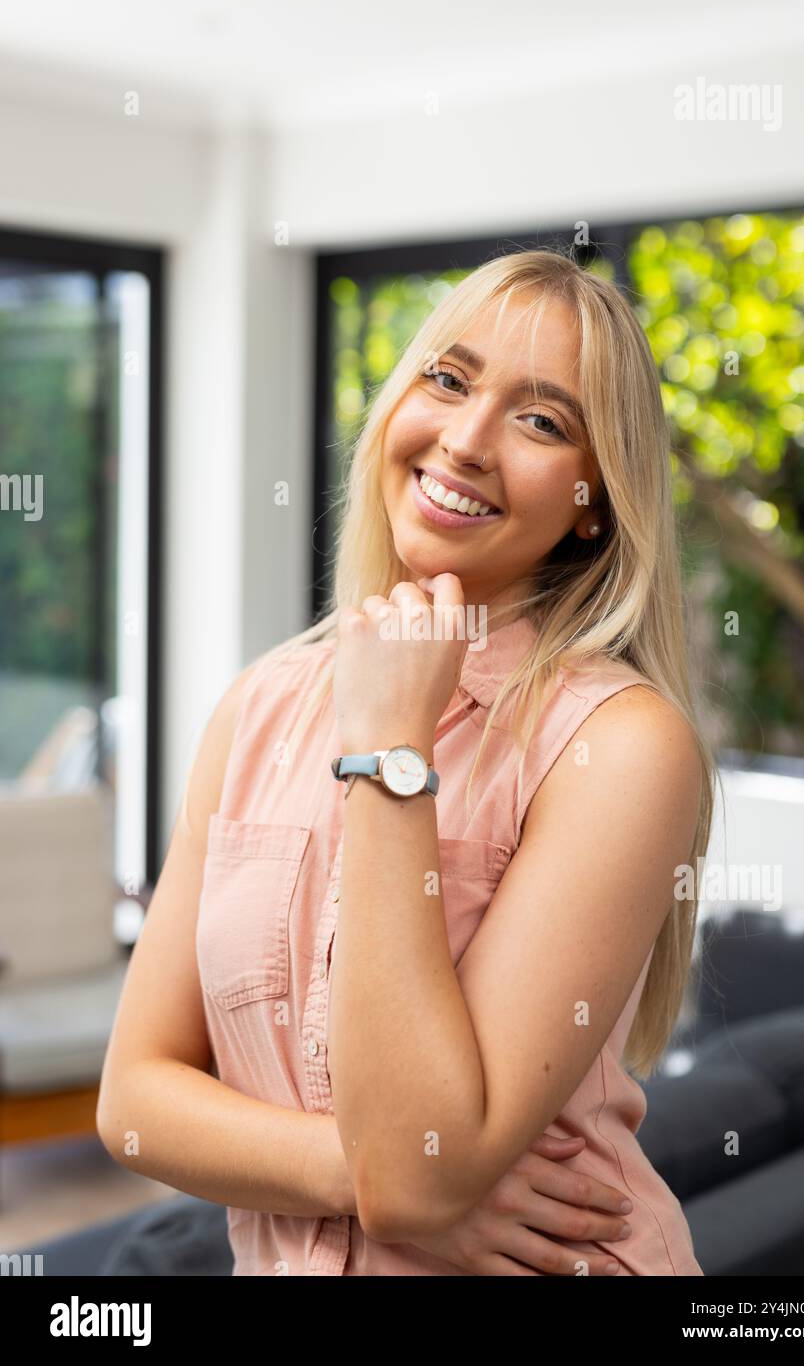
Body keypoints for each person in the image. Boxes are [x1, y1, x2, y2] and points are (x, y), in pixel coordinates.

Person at [98, 247, 714, 1275]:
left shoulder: (619, 744)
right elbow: (134, 1100)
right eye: (448, 378)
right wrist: (360, 1178)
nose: (466, 441)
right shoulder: (258, 707)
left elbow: (419, 1175)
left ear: (593, 500)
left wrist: (390, 745)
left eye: (541, 419)